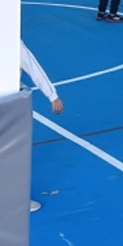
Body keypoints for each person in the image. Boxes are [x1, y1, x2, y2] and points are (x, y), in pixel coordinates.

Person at [20, 41, 64, 212]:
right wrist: (52, 95)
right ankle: (15, 199)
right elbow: (33, 67)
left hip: (7, 102)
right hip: (9, 103)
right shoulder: (10, 39)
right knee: (12, 152)